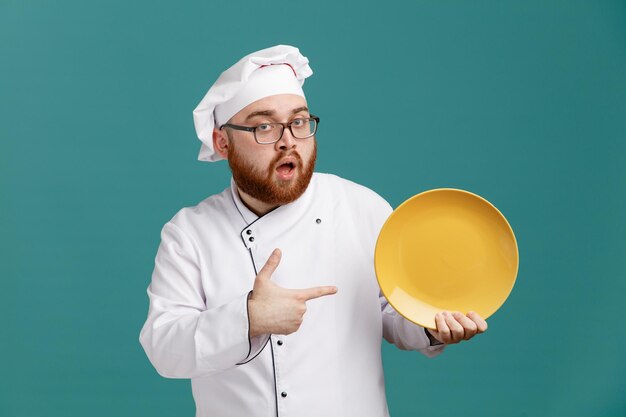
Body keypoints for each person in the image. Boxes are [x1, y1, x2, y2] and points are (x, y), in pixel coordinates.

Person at [139, 45, 488, 417]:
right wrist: (249, 318)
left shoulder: (361, 207)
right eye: (264, 126)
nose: (288, 140)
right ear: (223, 142)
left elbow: (391, 312)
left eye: (299, 122)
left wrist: (434, 326)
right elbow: (164, 348)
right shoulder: (190, 233)